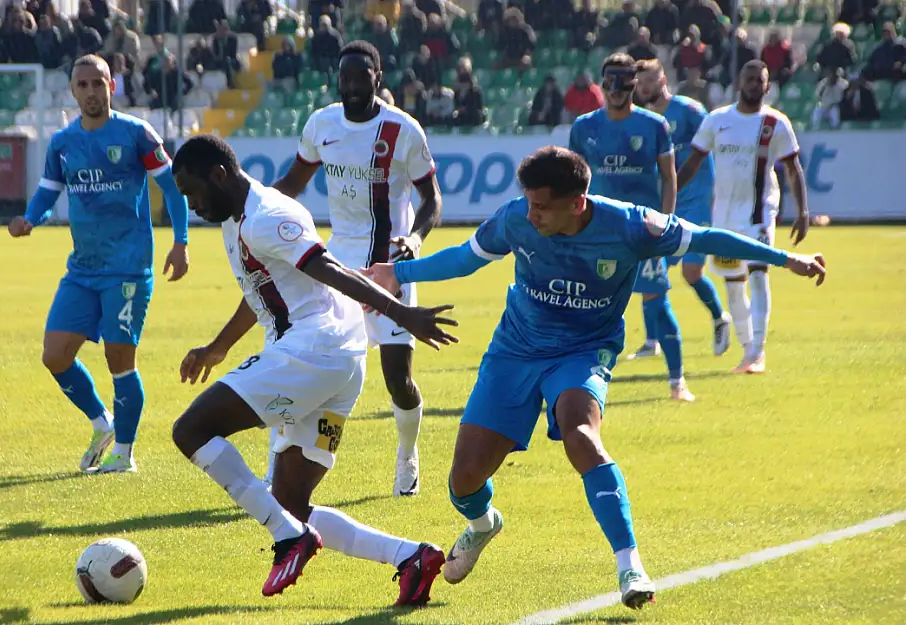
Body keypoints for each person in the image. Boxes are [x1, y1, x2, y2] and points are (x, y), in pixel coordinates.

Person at [363, 145, 827, 611]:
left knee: (580, 433)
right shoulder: (515, 220)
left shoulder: (632, 226)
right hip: (515, 349)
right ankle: (484, 526)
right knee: (463, 480)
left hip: (584, 351)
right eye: (529, 202)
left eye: (542, 205)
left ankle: (630, 565)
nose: (532, 214)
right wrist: (397, 273)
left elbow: (706, 237)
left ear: (577, 202)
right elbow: (467, 257)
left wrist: (785, 259)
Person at [169, 134, 456, 604]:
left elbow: (325, 267)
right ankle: (412, 557)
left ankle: (289, 539)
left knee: (191, 430)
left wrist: (401, 314)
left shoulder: (267, 216)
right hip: (338, 362)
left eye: (191, 192)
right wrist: (218, 347)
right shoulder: (238, 218)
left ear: (217, 176)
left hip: (312, 352)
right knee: (288, 502)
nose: (191, 204)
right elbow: (261, 287)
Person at [273, 41, 444, 497]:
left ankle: (407, 452)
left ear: (377, 77)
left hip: (390, 266)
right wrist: (251, 204)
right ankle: (292, 453)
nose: (350, 85)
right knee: (317, 365)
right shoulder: (321, 124)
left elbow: (432, 198)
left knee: (397, 380)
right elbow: (293, 183)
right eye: (344, 77)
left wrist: (415, 238)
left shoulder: (404, 131)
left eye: (360, 76)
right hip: (337, 264)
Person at [6, 54, 190, 473]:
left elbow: (173, 190)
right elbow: (47, 192)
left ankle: (124, 454)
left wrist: (180, 243)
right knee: (55, 355)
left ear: (112, 86)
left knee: (119, 360)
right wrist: (30, 219)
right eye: (83, 84)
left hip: (127, 268)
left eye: (98, 83)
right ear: (72, 91)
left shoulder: (136, 134)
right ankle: (101, 423)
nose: (91, 91)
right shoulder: (63, 143)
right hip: (83, 269)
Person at [568, 54, 691, 402]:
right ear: (601, 83)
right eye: (610, 81)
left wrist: (666, 225)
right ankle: (577, 383)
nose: (616, 89)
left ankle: (677, 381)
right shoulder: (583, 128)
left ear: (634, 85)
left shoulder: (654, 126)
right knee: (585, 310)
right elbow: (573, 181)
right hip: (596, 232)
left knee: (656, 302)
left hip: (643, 231)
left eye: (624, 81)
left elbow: (669, 177)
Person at [678, 60, 811, 374]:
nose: (754, 84)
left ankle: (757, 351)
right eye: (749, 78)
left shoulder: (775, 123)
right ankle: (747, 347)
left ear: (767, 86)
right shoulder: (717, 120)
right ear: (740, 81)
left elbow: (793, 167)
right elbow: (693, 163)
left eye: (760, 80)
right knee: (733, 284)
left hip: (759, 211)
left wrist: (803, 211)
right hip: (723, 214)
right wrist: (668, 196)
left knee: (758, 274)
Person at [635, 59, 731, 356]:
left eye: (647, 81)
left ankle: (719, 317)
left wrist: (711, 193)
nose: (642, 88)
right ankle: (653, 342)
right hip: (666, 201)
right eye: (638, 83)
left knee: (691, 271)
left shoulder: (689, 111)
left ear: (662, 79)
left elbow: (709, 149)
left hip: (696, 198)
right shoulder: (645, 120)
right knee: (651, 268)